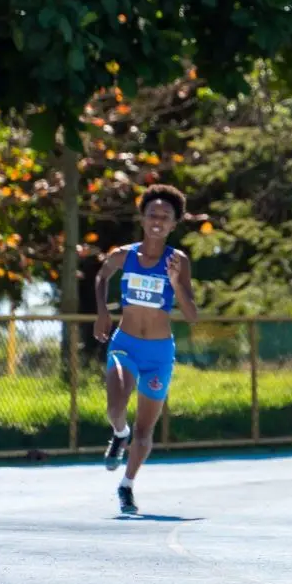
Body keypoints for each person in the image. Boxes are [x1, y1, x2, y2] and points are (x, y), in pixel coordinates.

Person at [93, 184, 198, 514]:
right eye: (152, 214)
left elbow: (192, 314)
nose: (157, 220)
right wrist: (102, 311)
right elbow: (102, 275)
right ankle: (118, 433)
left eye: (165, 217)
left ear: (173, 224)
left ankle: (126, 486)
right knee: (116, 403)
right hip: (125, 344)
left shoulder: (178, 260)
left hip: (159, 353)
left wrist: (176, 282)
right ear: (142, 217)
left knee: (145, 429)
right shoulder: (124, 255)